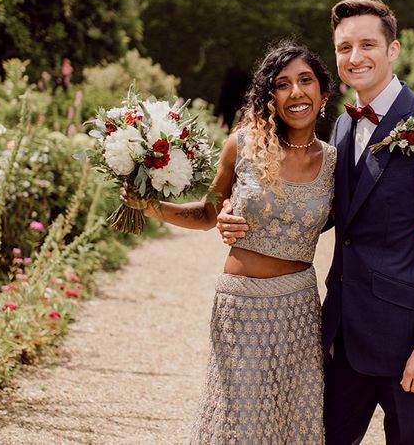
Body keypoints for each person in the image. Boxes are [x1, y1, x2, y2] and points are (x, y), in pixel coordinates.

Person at [218, 0, 414, 444]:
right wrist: (241, 216)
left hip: (408, 339)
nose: (356, 57)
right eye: (344, 47)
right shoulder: (339, 129)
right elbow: (334, 214)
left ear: (393, 49)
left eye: (368, 44)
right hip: (342, 337)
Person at [122, 41, 336, 444]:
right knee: (241, 424)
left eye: (305, 81)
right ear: (270, 96)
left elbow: (360, 221)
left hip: (299, 310)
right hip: (241, 306)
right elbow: (207, 213)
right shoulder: (241, 146)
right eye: (282, 84)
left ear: (324, 93)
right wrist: (151, 207)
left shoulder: (336, 162)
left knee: (296, 421)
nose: (295, 92)